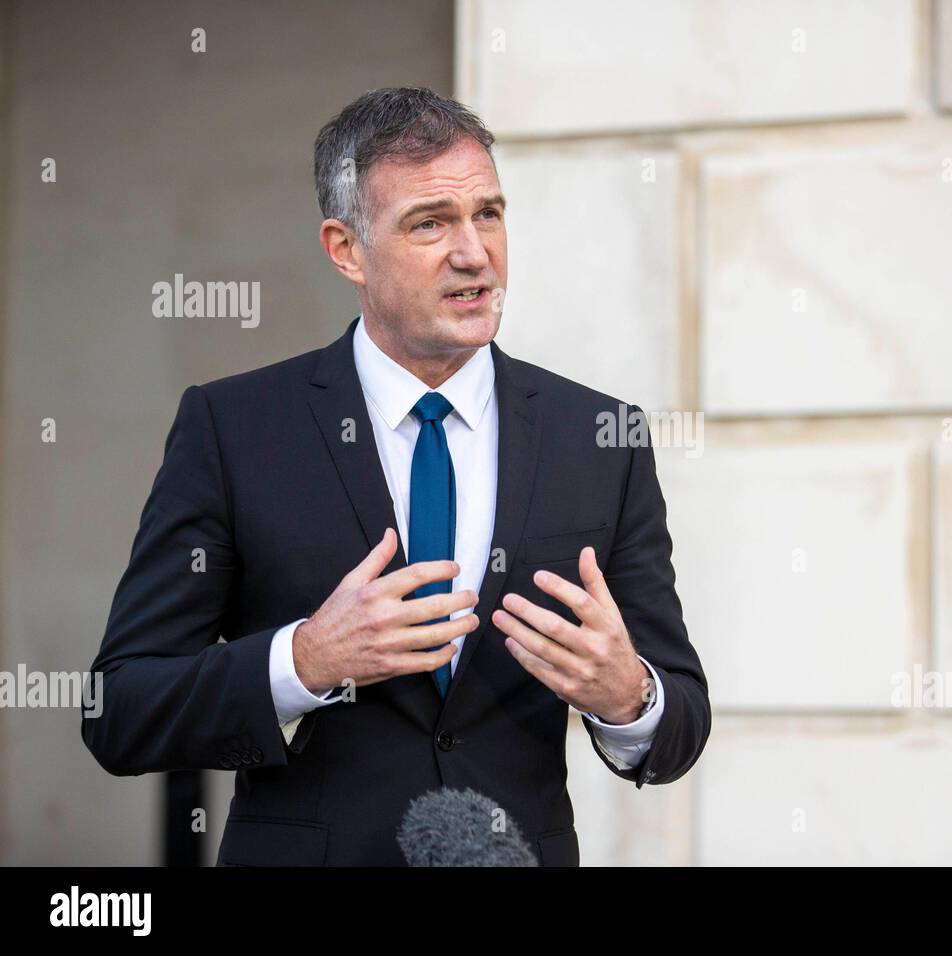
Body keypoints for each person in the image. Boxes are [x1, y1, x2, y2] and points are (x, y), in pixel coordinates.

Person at [81, 87, 710, 866]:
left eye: (489, 213)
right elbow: (119, 710)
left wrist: (629, 698)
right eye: (430, 223)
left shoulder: (599, 437)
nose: (475, 252)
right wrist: (305, 660)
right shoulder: (234, 429)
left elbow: (680, 723)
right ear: (347, 249)